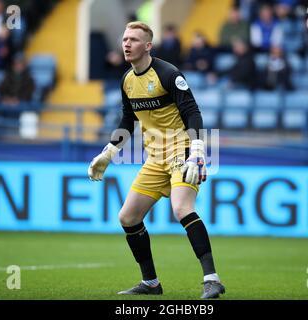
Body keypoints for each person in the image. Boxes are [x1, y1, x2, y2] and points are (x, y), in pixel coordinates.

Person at [87, 21, 225, 299]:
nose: (127, 44)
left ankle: (212, 279)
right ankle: (151, 283)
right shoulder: (127, 80)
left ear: (147, 46)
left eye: (134, 40)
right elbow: (128, 119)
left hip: (182, 151)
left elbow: (192, 112)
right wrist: (109, 152)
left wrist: (198, 151)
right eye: (125, 39)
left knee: (181, 209)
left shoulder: (168, 73)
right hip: (155, 157)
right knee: (128, 216)